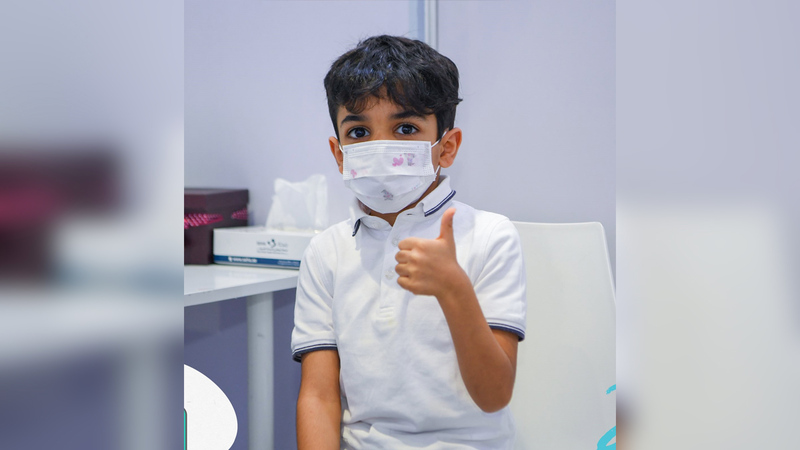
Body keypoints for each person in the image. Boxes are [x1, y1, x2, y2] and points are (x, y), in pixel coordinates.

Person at [291, 35, 527, 449]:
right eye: (359, 131)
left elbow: (494, 396)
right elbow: (319, 396)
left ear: (446, 147)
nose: (380, 147)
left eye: (405, 128)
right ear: (339, 153)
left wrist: (453, 290)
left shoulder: (491, 235)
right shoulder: (326, 252)